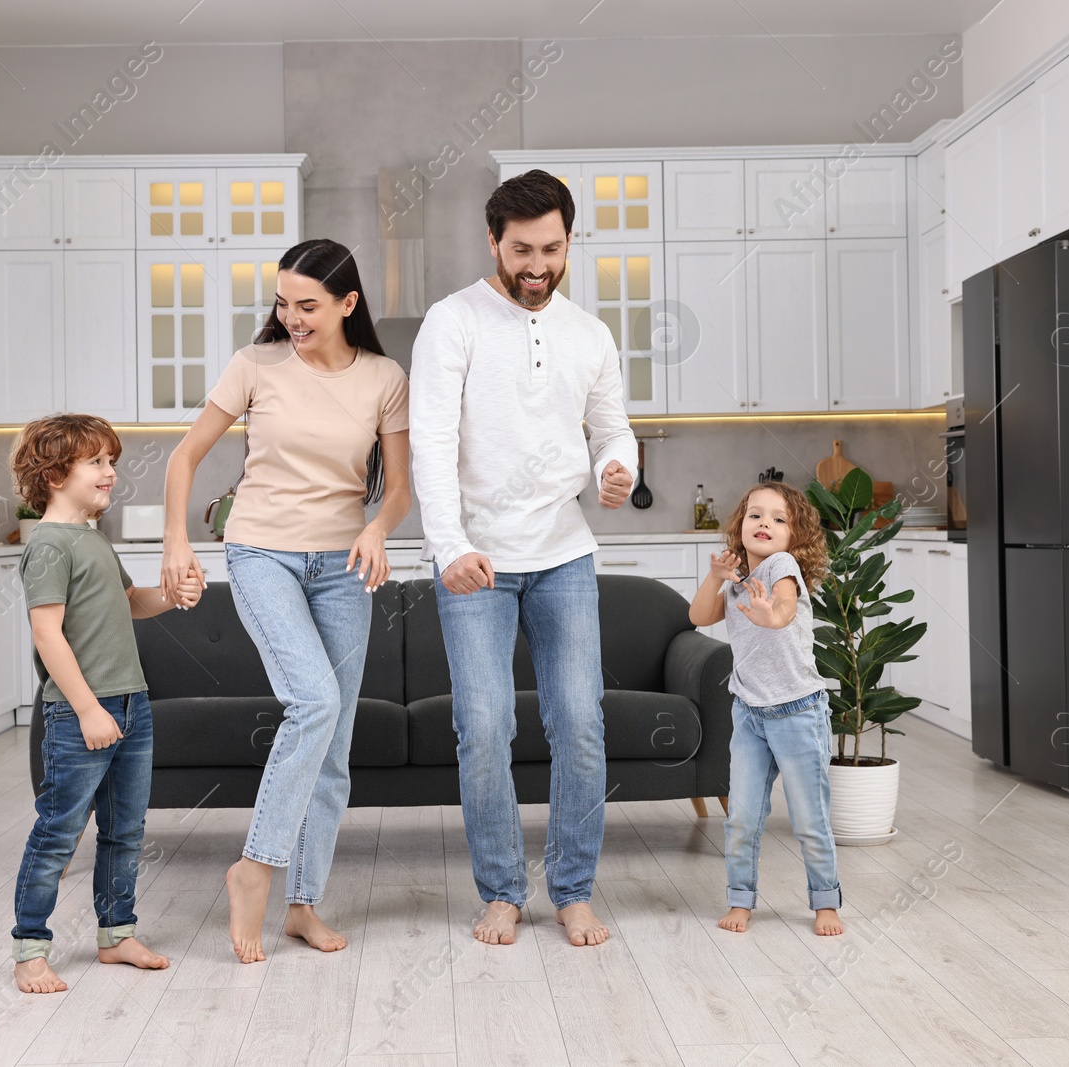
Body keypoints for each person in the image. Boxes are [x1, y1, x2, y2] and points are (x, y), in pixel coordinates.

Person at [160, 238, 411, 964]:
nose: (292, 318)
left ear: (347, 304)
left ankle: (303, 903)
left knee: (333, 748)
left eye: (308, 305)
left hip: (343, 564)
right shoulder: (256, 364)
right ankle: (255, 866)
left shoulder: (383, 377)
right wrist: (178, 542)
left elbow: (396, 489)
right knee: (315, 701)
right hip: (262, 551)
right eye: (283, 303)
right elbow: (184, 456)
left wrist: (377, 529)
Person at [410, 170, 637, 948]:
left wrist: (619, 467)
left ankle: (571, 888)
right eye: (521, 250)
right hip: (476, 559)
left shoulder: (590, 334)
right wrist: (450, 545)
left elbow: (612, 429)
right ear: (492, 243)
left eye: (551, 248)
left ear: (570, 241)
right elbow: (432, 444)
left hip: (564, 552)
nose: (536, 265)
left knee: (580, 722)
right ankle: (503, 889)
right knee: (485, 722)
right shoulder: (453, 321)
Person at [9, 413, 203, 994]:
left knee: (125, 830)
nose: (110, 473)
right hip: (80, 713)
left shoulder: (92, 538)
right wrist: (90, 709)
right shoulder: (46, 545)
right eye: (96, 462)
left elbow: (129, 603)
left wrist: (172, 596)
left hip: (132, 705)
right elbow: (49, 635)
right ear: (52, 474)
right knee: (59, 831)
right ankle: (29, 948)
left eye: (110, 461)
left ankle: (117, 934)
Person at [687, 480, 845, 938]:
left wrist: (767, 616)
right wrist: (716, 576)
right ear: (740, 526)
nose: (765, 523)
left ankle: (825, 902)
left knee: (808, 818)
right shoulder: (739, 583)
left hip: (798, 712)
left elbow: (784, 612)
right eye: (756, 515)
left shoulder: (782, 565)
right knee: (741, 816)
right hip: (750, 713)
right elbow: (699, 617)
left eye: (779, 519)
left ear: (794, 537)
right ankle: (740, 899)